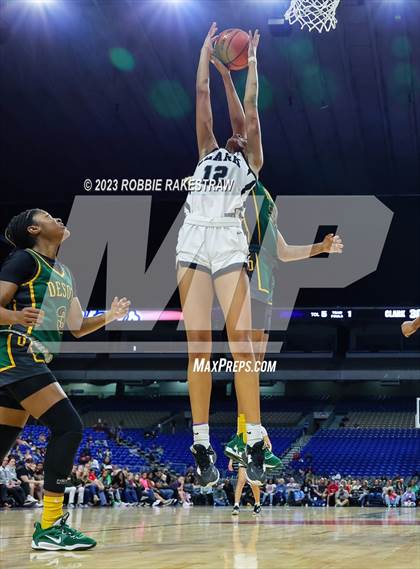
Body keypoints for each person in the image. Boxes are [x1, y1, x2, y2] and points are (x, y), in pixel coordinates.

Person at [0, 208, 130, 550]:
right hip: (15, 354)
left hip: (24, 362)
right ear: (33, 229)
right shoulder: (24, 260)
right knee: (69, 426)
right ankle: (50, 526)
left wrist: (108, 317)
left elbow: (75, 326)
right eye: (47, 216)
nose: (57, 218)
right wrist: (14, 314)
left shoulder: (65, 272)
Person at [176, 24, 265, 487]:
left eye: (243, 135)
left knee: (241, 342)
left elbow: (247, 111)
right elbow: (200, 97)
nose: (237, 135)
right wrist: (206, 56)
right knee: (199, 348)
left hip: (229, 236)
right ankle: (202, 442)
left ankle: (253, 436)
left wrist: (246, 66)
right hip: (193, 237)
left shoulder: (251, 161)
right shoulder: (207, 149)